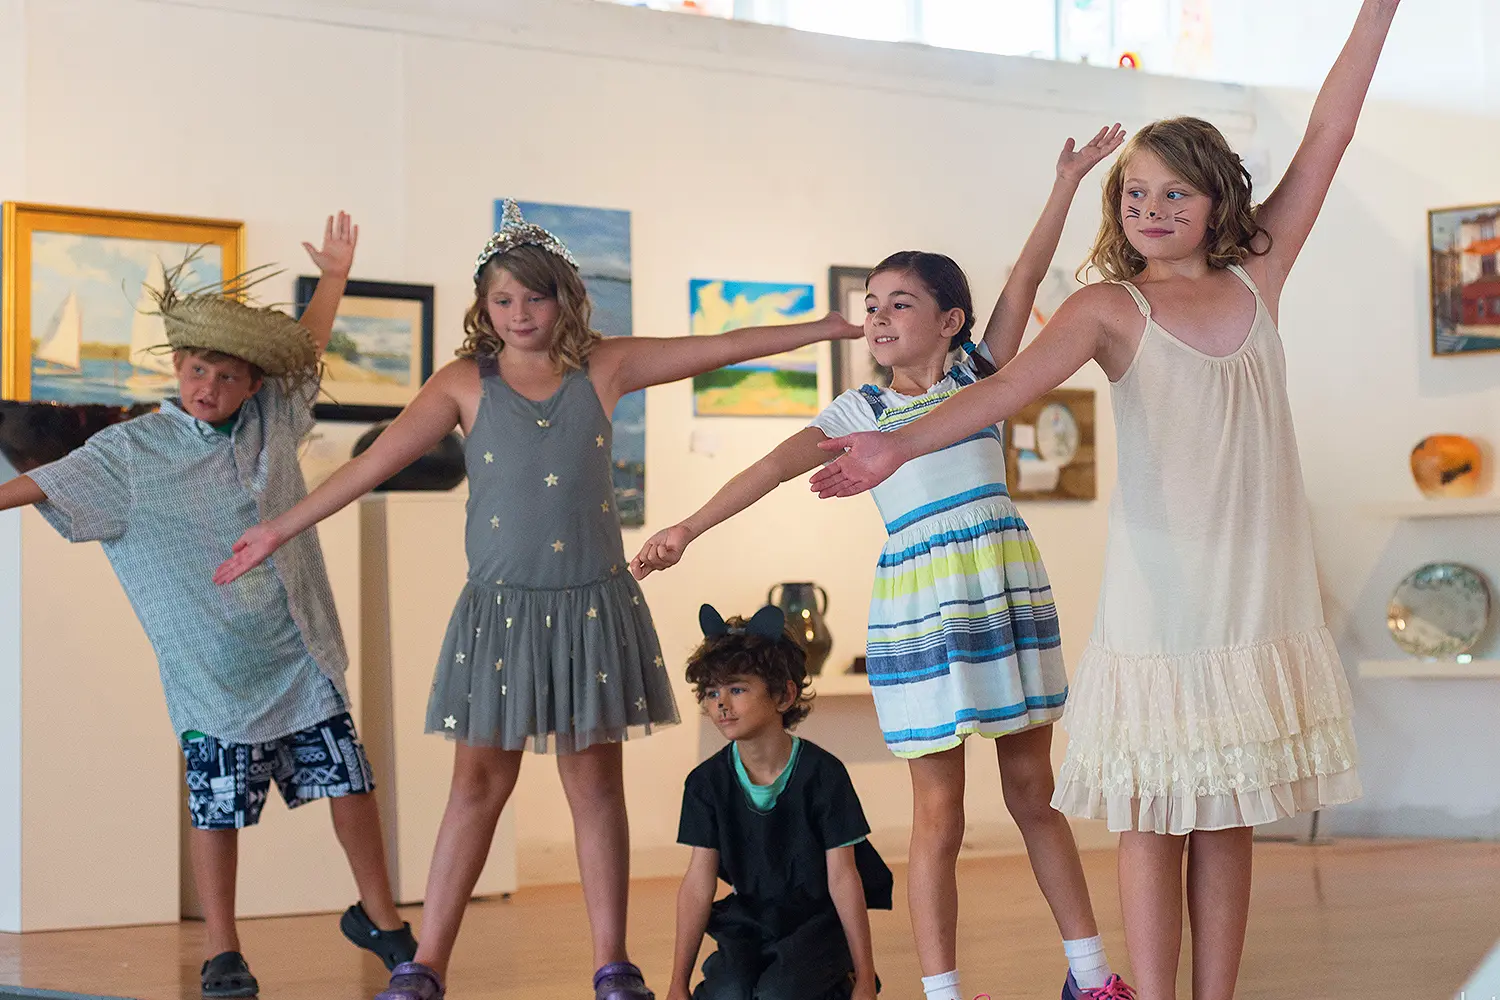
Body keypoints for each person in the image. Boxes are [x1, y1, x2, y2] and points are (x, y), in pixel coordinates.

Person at [807, 6, 1399, 996]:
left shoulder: (1262, 274)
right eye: (1134, 191)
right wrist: (893, 446)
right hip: (1162, 599)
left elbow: (1331, 129)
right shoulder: (1107, 307)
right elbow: (1000, 392)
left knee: (1225, 809)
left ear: (1220, 202)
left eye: (1175, 191)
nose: (1151, 207)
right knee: (1155, 811)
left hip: (1257, 596)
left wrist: (1377, 9)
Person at [210, 201, 863, 1000]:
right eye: (503, 301)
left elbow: (717, 347)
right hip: (502, 618)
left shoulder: (605, 368)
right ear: (483, 309)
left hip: (592, 611)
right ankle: (426, 964)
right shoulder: (462, 384)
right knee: (476, 788)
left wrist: (824, 329)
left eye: (535, 297)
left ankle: (611, 963)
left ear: (565, 297)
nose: (520, 315)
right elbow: (373, 462)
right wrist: (278, 528)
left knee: (594, 790)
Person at [633, 129, 1135, 1000]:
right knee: (936, 815)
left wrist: (1064, 182)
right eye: (871, 304)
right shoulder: (853, 409)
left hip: (999, 589)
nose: (878, 317)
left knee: (1032, 795)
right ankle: (941, 991)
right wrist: (687, 526)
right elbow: (773, 464)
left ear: (948, 320)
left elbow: (1022, 279)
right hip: (919, 605)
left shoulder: (982, 373)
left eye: (899, 302)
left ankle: (1090, 976)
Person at [0, 214, 415, 997]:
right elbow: (43, 485)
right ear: (177, 368)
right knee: (217, 808)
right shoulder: (131, 452)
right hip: (211, 672)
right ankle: (223, 948)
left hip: (297, 648)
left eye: (226, 377)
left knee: (349, 783)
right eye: (196, 371)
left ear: (252, 384)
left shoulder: (273, 419)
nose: (209, 388)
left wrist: (333, 279)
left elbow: (308, 354)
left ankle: (381, 915)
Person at [668, 603, 893, 1000]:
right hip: (752, 919)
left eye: (737, 689)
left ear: (785, 695)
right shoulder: (705, 783)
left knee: (779, 994)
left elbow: (844, 878)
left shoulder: (824, 775)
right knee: (729, 993)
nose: (721, 703)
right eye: (711, 692)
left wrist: (864, 977)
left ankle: (838, 983)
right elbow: (697, 884)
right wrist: (676, 985)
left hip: (817, 923)